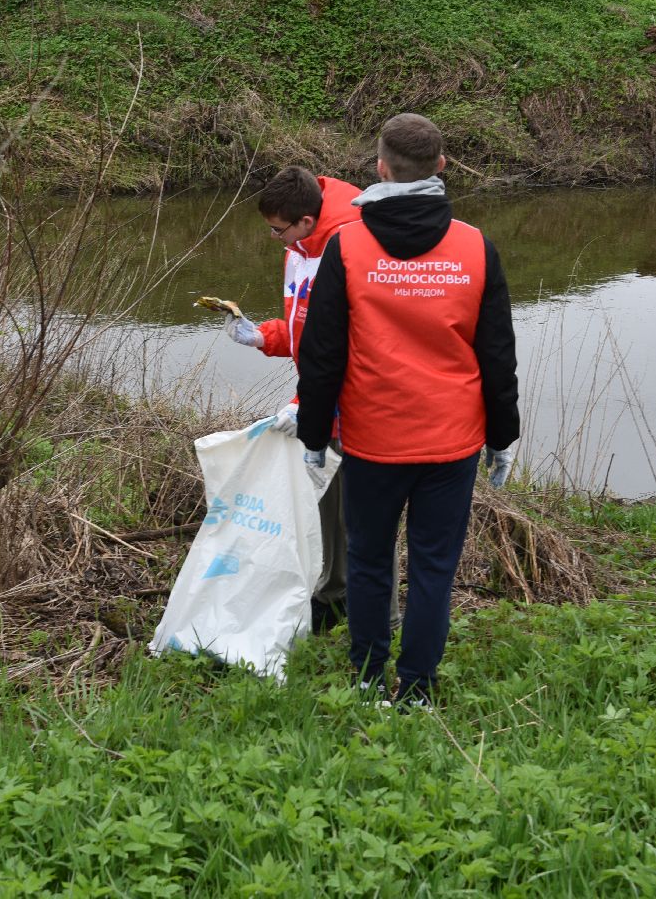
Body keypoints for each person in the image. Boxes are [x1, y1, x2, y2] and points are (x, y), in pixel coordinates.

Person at [295, 113, 519, 710]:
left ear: (380, 170)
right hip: (453, 442)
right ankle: (416, 688)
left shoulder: (347, 247)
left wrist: (313, 436)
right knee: (433, 568)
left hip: (373, 442)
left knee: (368, 564)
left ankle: (370, 679)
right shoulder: (475, 246)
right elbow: (497, 353)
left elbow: (322, 355)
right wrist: (503, 436)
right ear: (441, 168)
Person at [222, 165, 362, 631]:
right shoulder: (300, 250)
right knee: (326, 503)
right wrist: (261, 336)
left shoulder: (350, 249)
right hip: (321, 397)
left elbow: (351, 344)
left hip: (352, 403)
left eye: (278, 229)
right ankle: (332, 591)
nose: (274, 238)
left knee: (352, 510)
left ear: (305, 220)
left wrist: (308, 402)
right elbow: (306, 331)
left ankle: (355, 608)